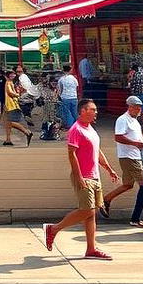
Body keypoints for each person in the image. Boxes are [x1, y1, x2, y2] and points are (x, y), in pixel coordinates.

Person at [43, 97, 119, 260]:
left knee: (91, 214)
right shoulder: (76, 130)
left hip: (94, 176)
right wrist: (79, 177)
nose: (96, 112)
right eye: (93, 109)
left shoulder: (91, 129)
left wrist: (109, 169)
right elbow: (72, 155)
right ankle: (53, 229)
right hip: (83, 176)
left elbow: (97, 152)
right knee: (87, 210)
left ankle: (91, 249)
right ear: (83, 111)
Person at [100, 96, 143, 220]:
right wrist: (135, 144)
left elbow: (138, 138)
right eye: (136, 108)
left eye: (139, 108)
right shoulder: (123, 120)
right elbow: (118, 137)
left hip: (135, 156)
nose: (138, 110)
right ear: (130, 107)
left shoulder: (135, 121)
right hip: (129, 157)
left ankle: (106, 200)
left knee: (128, 185)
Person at [3, 71, 33, 147]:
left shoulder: (8, 83)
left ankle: (27, 132)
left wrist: (18, 95)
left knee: (11, 122)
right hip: (10, 105)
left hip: (12, 105)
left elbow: (10, 92)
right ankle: (8, 139)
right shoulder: (11, 83)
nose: (14, 75)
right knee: (7, 122)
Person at [126, 58, 143, 129]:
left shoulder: (132, 72)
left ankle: (134, 126)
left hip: (136, 94)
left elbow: (129, 81)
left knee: (134, 111)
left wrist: (129, 79)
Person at [39, 75, 62, 141]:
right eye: (52, 82)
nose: (54, 83)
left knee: (57, 120)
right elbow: (43, 97)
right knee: (46, 120)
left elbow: (58, 97)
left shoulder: (57, 89)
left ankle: (55, 134)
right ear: (50, 82)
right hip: (47, 107)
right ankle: (44, 133)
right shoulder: (45, 89)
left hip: (55, 107)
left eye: (56, 82)